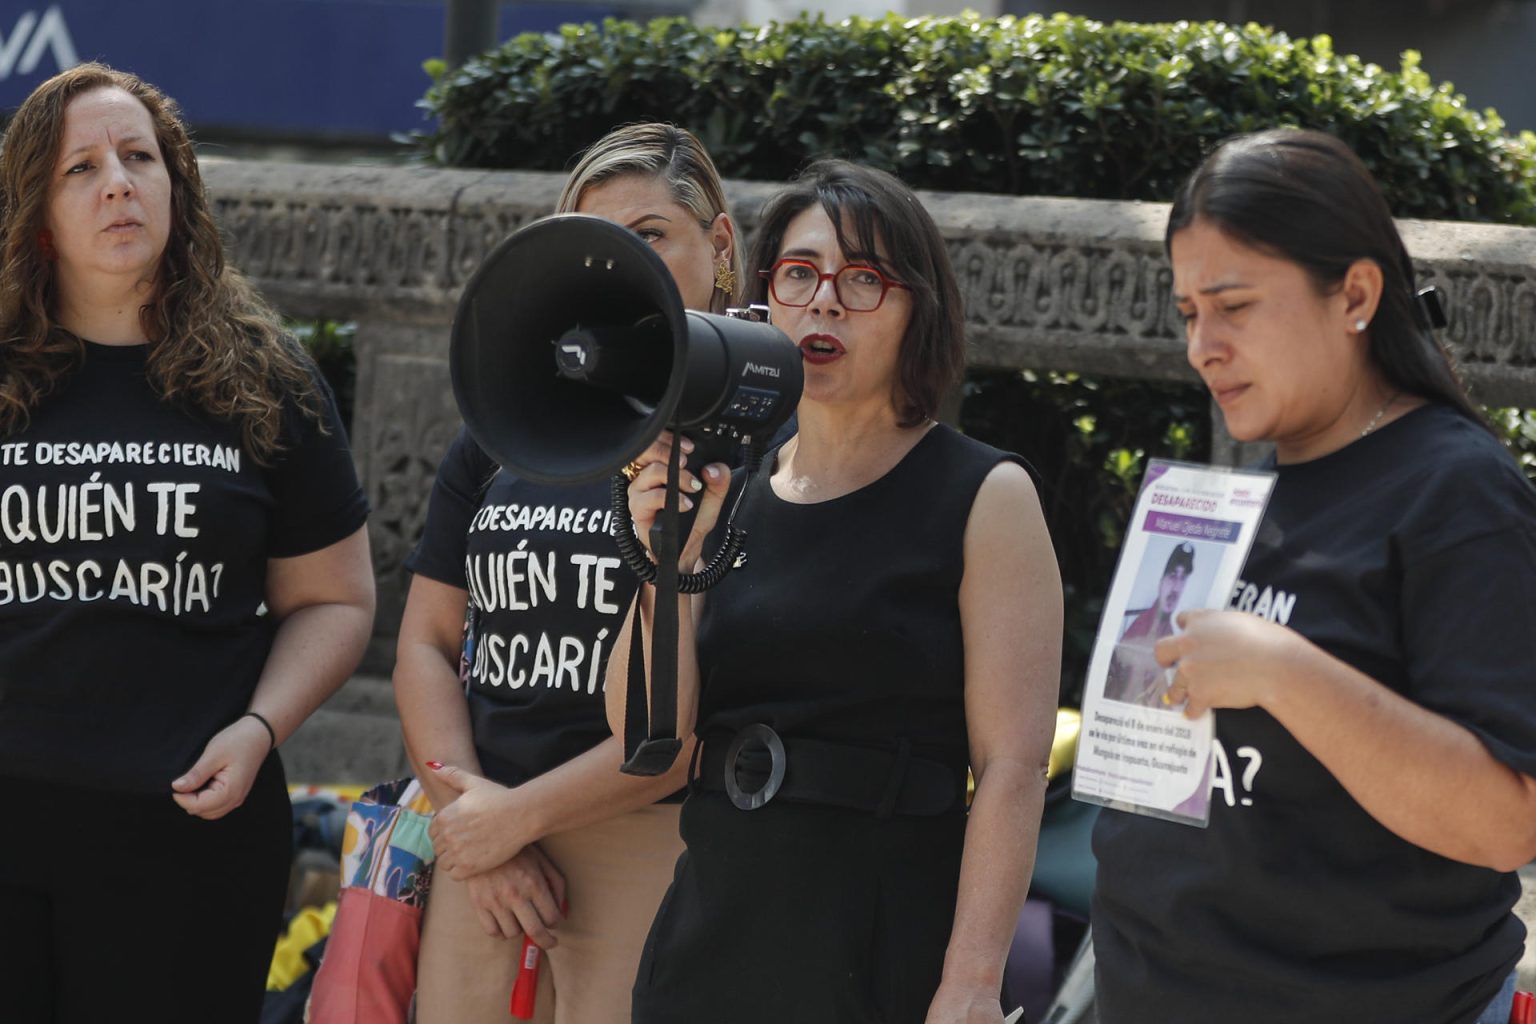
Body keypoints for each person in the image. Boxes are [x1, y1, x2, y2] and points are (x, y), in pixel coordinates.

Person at [1092, 129, 1536, 1024]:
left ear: (1357, 294)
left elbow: (1506, 822)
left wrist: (1282, 670)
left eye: (1234, 305)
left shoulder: (1459, 492)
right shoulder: (1243, 494)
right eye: (1187, 313)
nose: (1200, 347)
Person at [608, 160, 1063, 1024]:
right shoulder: (727, 483)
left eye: (863, 280)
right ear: (766, 298)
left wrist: (970, 983)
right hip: (715, 928)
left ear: (916, 308)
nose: (824, 302)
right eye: (800, 273)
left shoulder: (985, 494)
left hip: (883, 933)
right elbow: (647, 737)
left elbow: (1012, 767)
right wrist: (662, 559)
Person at [0, 64, 374, 1023]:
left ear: (178, 185)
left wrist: (259, 733)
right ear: (38, 217)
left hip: (188, 838)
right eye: (80, 168)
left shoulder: (268, 377)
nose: (118, 181)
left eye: (138, 156)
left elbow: (335, 601)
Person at [394, 122, 747, 1024]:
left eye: (652, 233)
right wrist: (476, 820)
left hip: (644, 838)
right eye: (600, 239)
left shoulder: (747, 437)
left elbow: (715, 700)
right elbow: (428, 645)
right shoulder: (509, 424)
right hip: (481, 847)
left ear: (720, 244)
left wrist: (518, 820)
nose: (624, 261)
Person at [1102, 540, 1194, 706]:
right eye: (1172, 576)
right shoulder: (1130, 622)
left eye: (1182, 579)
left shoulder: (1176, 642)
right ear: (1161, 581)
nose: (1176, 587)